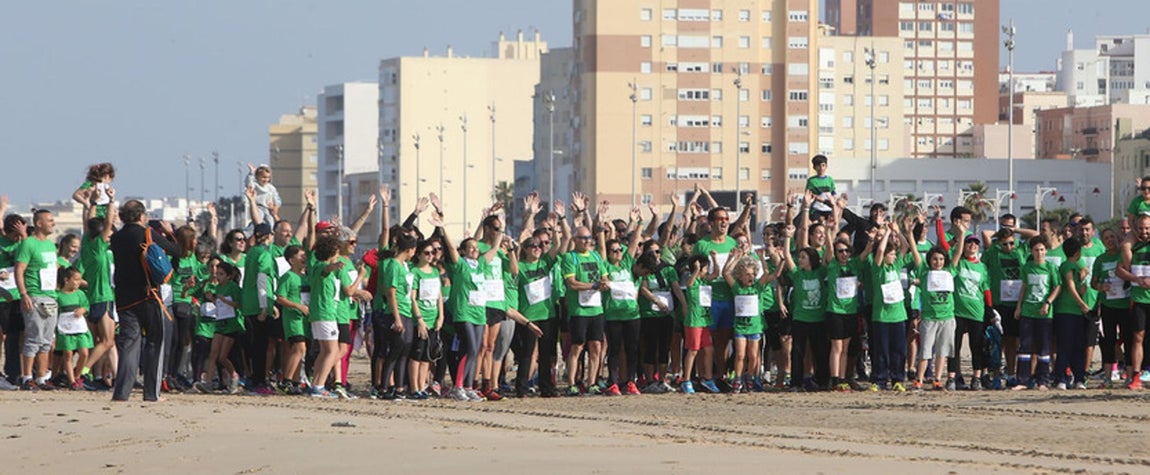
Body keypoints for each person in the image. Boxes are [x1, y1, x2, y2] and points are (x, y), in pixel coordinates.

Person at [110, 200, 179, 401]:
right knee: (155, 344)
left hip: (124, 297)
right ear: (142, 216)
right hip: (148, 295)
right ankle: (151, 393)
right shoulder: (146, 233)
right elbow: (177, 251)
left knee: (129, 345)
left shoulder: (116, 237)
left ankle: (121, 393)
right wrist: (169, 233)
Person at [722, 245, 783, 393]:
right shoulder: (737, 287)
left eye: (752, 274)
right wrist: (734, 258)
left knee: (753, 355)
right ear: (740, 276)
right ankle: (738, 379)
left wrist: (763, 258)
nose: (750, 277)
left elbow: (772, 274)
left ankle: (750, 377)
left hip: (755, 327)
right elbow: (726, 273)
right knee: (740, 354)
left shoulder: (757, 286)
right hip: (740, 327)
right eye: (746, 274)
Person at [76, 190, 118, 390]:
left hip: (91, 297)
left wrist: (92, 203)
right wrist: (111, 200)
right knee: (108, 342)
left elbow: (88, 222)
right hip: (103, 296)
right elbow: (108, 223)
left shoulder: (85, 244)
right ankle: (83, 372)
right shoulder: (100, 246)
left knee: (98, 341)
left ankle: (96, 377)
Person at [15, 209, 60, 390]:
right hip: (34, 295)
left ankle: (41, 377)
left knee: (46, 340)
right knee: (33, 337)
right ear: (39, 223)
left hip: (51, 296)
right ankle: (26, 376)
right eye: (49, 220)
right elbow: (20, 270)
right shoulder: (28, 244)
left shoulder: (50, 245)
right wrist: (24, 293)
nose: (53, 223)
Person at [563, 225, 609, 396]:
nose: (587, 241)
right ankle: (572, 383)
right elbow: (572, 283)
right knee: (577, 347)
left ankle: (592, 383)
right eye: (583, 238)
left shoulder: (596, 256)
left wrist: (603, 283)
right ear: (575, 240)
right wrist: (593, 285)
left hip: (596, 309)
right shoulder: (570, 257)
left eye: (589, 237)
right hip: (579, 311)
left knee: (596, 346)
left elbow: (604, 276)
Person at [1012, 236, 1061, 391]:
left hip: (1044, 314)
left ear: (1046, 251)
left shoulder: (1051, 268)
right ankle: (1023, 380)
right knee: (1025, 346)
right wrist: (1019, 307)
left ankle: (1043, 380)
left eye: (1041, 250)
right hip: (1028, 311)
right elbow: (1024, 287)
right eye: (1036, 250)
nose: (1039, 253)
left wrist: (1048, 303)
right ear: (1031, 252)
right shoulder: (1027, 267)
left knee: (1044, 348)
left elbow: (1057, 286)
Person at [303, 236, 345, 399]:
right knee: (333, 350)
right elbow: (326, 270)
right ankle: (319, 386)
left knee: (325, 351)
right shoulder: (321, 266)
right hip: (325, 313)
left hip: (318, 314)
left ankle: (316, 384)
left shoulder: (313, 264)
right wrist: (334, 266)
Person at [949, 235, 992, 391]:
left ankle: (977, 378)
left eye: (975, 243)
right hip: (958, 311)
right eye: (969, 242)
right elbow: (947, 248)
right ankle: (952, 378)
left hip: (977, 312)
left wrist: (989, 309)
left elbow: (986, 289)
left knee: (977, 347)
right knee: (955, 346)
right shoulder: (958, 263)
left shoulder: (982, 267)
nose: (972, 245)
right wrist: (960, 235)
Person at [241, 222, 278, 394]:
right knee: (260, 347)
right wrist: (265, 307)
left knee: (254, 345)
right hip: (258, 304)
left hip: (248, 303)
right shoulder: (264, 254)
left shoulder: (250, 253)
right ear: (269, 236)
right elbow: (262, 280)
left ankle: (255, 380)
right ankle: (259, 382)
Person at [379, 234, 417, 400]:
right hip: (397, 311)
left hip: (407, 310)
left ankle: (400, 388)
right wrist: (397, 318)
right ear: (409, 250)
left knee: (405, 350)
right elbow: (391, 293)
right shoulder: (394, 265)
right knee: (395, 350)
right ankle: (385, 387)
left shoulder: (404, 266)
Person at [1091, 227, 1129, 386]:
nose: (1110, 240)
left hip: (1126, 303)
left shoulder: (1124, 254)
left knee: (1129, 339)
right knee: (1109, 341)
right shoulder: (1100, 260)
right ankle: (1107, 376)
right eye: (1106, 238)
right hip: (1108, 304)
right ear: (1103, 241)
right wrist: (1101, 287)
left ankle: (1130, 374)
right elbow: (1093, 282)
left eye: (1112, 237)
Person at [408, 239, 444, 400]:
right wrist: (419, 319)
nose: (430, 256)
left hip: (433, 317)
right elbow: (413, 298)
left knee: (427, 357)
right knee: (417, 354)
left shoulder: (435, 271)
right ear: (419, 254)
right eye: (427, 253)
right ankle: (414, 387)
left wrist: (440, 316)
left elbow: (438, 296)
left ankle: (422, 385)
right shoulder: (415, 272)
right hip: (420, 318)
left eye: (433, 253)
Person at [1117, 214, 1150, 389]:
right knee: (1138, 337)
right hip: (1138, 299)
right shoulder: (1131, 247)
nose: (1144, 232)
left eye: (1147, 228)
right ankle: (1136, 376)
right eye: (1141, 228)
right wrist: (1136, 279)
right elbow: (1119, 270)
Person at [1053, 237, 1090, 390]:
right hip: (1065, 310)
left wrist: (1083, 278)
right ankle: (1061, 378)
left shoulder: (1076, 267)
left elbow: (1081, 289)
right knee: (1065, 345)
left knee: (1078, 345)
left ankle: (1079, 378)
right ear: (1078, 252)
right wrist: (1082, 304)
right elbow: (1070, 286)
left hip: (1075, 312)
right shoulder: (1066, 265)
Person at [274, 245, 309, 395]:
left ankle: (295, 382)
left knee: (299, 351)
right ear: (291, 260)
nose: (304, 259)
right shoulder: (288, 277)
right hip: (293, 319)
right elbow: (280, 298)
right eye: (300, 256)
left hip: (305, 320)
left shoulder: (305, 277)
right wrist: (298, 306)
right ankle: (285, 381)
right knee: (299, 348)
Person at [54, 267, 93, 390]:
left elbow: (86, 306)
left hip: (79, 327)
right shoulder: (58, 295)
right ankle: (71, 381)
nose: (78, 282)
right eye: (76, 280)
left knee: (84, 353)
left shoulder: (80, 294)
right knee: (68, 354)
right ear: (67, 280)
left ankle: (77, 375)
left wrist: (83, 310)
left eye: (79, 280)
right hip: (65, 329)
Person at [805, 154, 836, 220]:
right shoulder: (811, 181)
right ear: (814, 167)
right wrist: (816, 197)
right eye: (818, 165)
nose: (821, 168)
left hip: (828, 208)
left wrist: (834, 199)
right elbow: (808, 194)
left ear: (826, 166)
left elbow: (833, 192)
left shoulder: (829, 179)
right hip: (816, 208)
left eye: (823, 165)